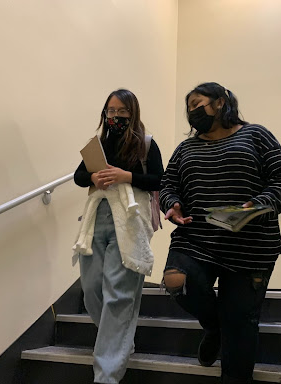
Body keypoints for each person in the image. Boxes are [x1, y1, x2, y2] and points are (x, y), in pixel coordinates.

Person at [159, 82, 281, 384]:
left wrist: (257, 206)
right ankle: (214, 326)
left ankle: (227, 344)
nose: (192, 112)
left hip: (251, 246)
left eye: (198, 103)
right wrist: (173, 204)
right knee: (175, 280)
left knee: (241, 324)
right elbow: (168, 185)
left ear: (220, 102)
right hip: (195, 238)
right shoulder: (185, 148)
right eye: (189, 107)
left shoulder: (256, 135)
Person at [73, 89, 163, 384]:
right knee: (91, 288)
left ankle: (106, 376)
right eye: (110, 111)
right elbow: (78, 176)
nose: (115, 116)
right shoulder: (98, 144)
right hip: (97, 217)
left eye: (121, 111)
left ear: (132, 113)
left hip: (129, 221)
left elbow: (160, 179)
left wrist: (127, 176)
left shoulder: (147, 145)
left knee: (118, 295)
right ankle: (121, 340)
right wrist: (93, 177)